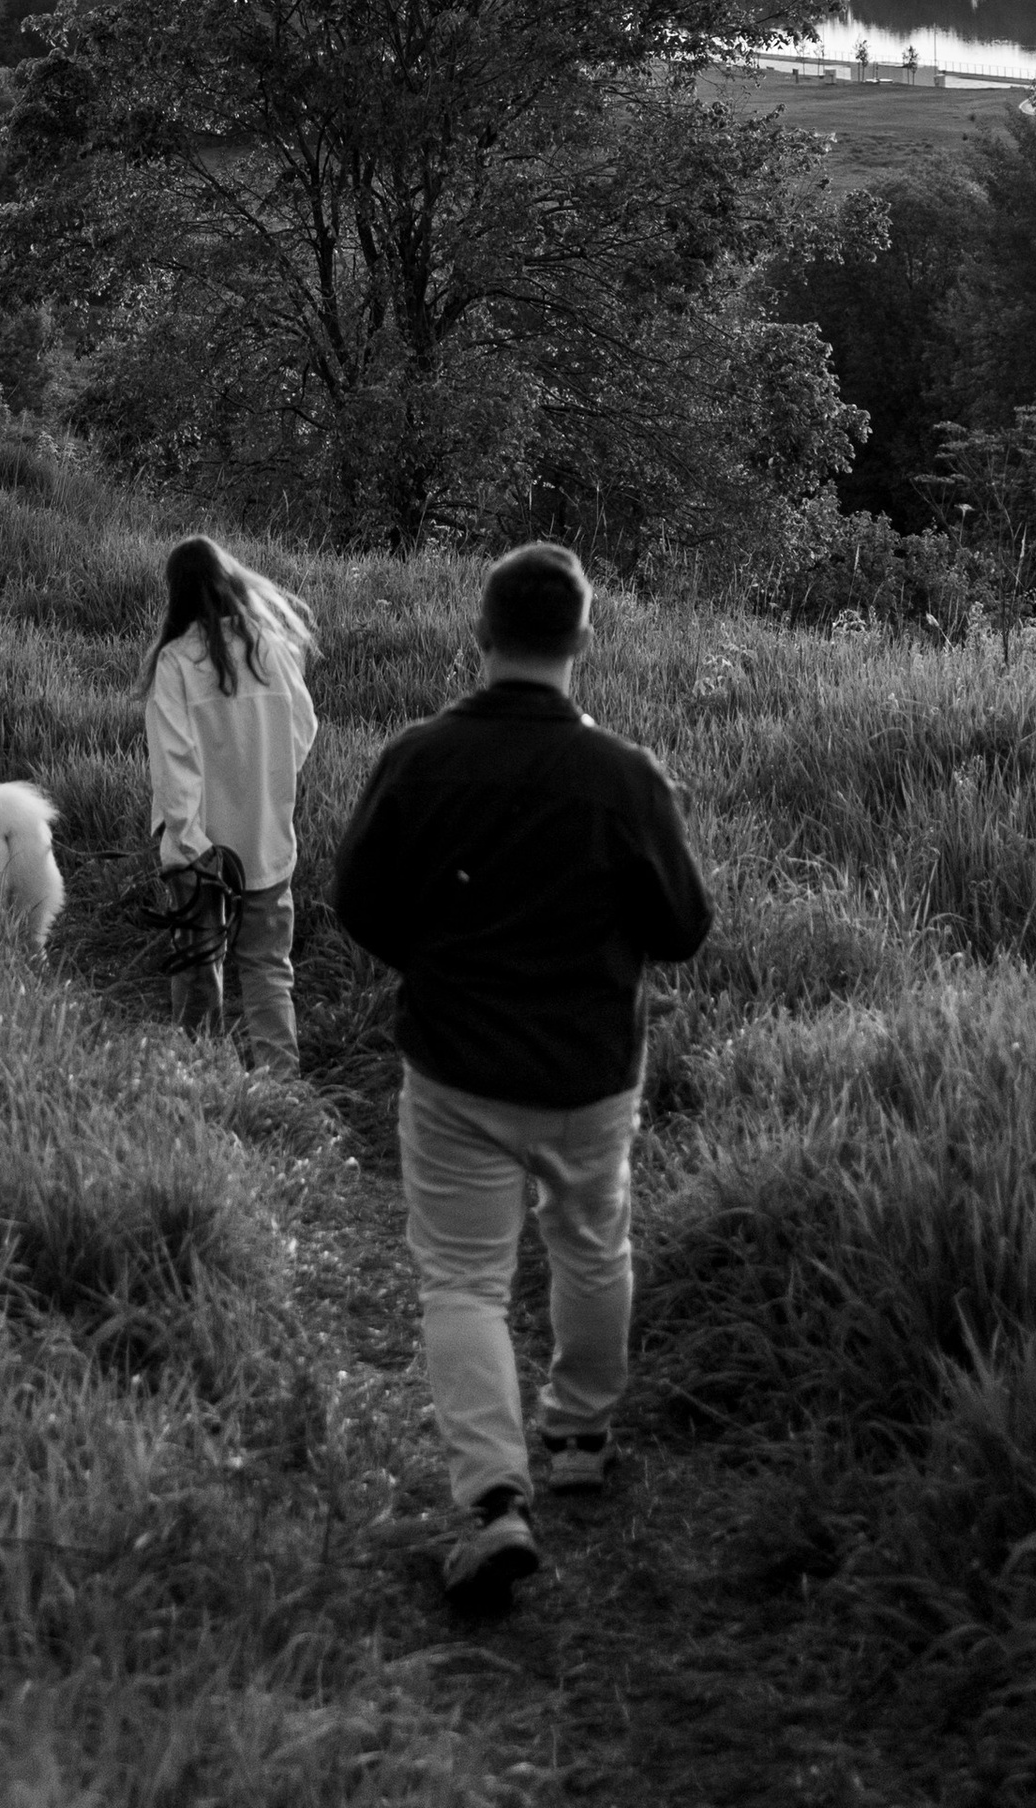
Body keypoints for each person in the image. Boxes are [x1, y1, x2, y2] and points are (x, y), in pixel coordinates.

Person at [332, 540, 712, 1614]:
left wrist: (440, 965)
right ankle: (582, 1436)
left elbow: (358, 901)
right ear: (582, 640)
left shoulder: (418, 757)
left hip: (455, 1066)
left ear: (481, 635)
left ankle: (494, 1500)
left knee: (461, 1280)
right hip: (591, 1071)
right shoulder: (625, 778)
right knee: (593, 1243)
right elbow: (681, 929)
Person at [141, 535, 319, 1071]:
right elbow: (304, 728)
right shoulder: (273, 650)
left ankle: (199, 1078)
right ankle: (281, 1085)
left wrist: (192, 843)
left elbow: (176, 766)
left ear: (178, 595)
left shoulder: (175, 663)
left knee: (199, 966)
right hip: (266, 841)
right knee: (267, 966)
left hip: (198, 852)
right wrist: (270, 784)